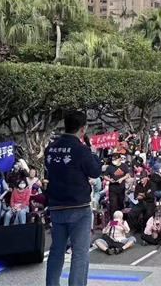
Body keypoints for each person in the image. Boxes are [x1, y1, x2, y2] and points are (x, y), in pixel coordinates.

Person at [45, 110, 102, 286]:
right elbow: (95, 171)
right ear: (83, 129)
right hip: (79, 207)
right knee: (80, 253)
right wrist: (93, 152)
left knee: (57, 250)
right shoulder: (81, 150)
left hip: (56, 206)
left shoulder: (50, 148)